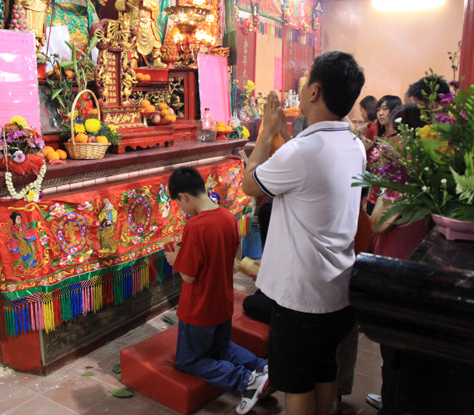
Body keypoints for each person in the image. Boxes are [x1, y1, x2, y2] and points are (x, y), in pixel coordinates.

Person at [242, 51, 366, 415]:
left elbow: (251, 185)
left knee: (295, 382)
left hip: (301, 299)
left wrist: (266, 130)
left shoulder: (302, 151)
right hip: (338, 289)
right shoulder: (355, 146)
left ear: (314, 92)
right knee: (323, 370)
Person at [164, 166, 270, 415]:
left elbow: (189, 276)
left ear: (184, 197)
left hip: (198, 309)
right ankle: (263, 368)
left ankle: (246, 381)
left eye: (179, 205)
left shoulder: (196, 226)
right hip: (222, 303)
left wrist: (176, 259)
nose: (183, 210)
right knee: (220, 348)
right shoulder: (226, 216)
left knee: (188, 360)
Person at [365, 104, 433, 415]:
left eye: (394, 135)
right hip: (411, 272)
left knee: (394, 352)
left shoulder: (407, 183)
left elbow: (378, 223)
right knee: (397, 352)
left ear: (410, 137)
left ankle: (391, 405)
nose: (390, 142)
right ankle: (391, 397)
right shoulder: (429, 176)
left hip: (397, 275)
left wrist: (383, 188)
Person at [365, 95, 402, 214]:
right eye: (378, 110)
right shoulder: (381, 135)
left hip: (386, 196)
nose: (380, 113)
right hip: (373, 193)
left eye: (385, 109)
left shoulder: (399, 139)